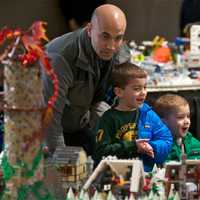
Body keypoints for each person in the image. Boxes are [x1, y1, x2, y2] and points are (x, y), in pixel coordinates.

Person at [42, 4, 130, 155]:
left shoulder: (120, 51)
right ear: (89, 30)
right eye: (105, 36)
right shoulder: (60, 58)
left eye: (118, 38)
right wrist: (63, 162)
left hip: (82, 117)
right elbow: (50, 118)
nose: (111, 46)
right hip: (43, 127)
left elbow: (127, 100)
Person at [93, 62, 173, 172]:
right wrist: (133, 146)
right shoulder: (109, 118)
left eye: (145, 87)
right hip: (116, 177)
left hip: (145, 174)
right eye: (136, 89)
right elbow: (100, 151)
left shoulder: (147, 113)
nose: (143, 93)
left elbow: (166, 140)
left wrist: (150, 146)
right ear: (119, 92)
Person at [154, 94, 200, 161]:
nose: (187, 121)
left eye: (188, 116)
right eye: (180, 117)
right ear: (162, 123)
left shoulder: (196, 144)